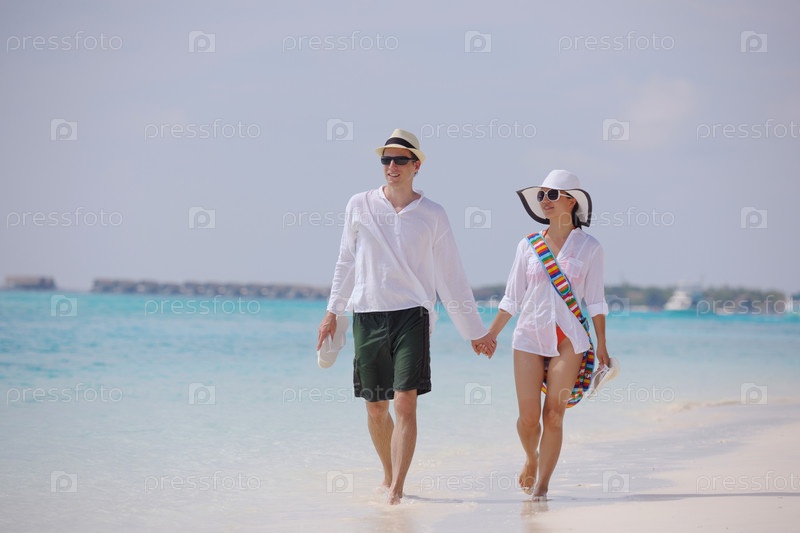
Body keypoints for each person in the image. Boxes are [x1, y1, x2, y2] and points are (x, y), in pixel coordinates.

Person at [317, 128, 496, 505]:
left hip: (413, 316)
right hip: (367, 313)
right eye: (386, 159)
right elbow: (346, 261)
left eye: (400, 159)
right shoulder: (359, 204)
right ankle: (388, 474)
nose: (392, 166)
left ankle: (397, 490)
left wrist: (475, 331)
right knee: (376, 408)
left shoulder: (433, 214)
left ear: (417, 166)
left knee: (404, 403)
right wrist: (332, 311)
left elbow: (450, 274)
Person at [486, 169, 610, 501]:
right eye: (541, 195)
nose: (544, 201)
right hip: (528, 336)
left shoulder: (590, 248)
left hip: (570, 340)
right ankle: (531, 457)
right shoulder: (528, 246)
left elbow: (596, 301)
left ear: (572, 201)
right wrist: (491, 334)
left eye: (552, 195)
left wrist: (602, 345)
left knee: (554, 415)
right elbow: (512, 298)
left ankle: (541, 489)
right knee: (529, 419)